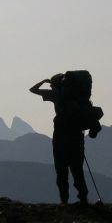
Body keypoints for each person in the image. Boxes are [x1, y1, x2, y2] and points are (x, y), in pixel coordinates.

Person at [30, 71, 100, 205]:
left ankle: (64, 200)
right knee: (77, 170)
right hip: (77, 138)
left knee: (61, 171)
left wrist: (44, 81)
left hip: (60, 138)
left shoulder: (55, 95)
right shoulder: (78, 99)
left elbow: (33, 90)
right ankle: (83, 198)